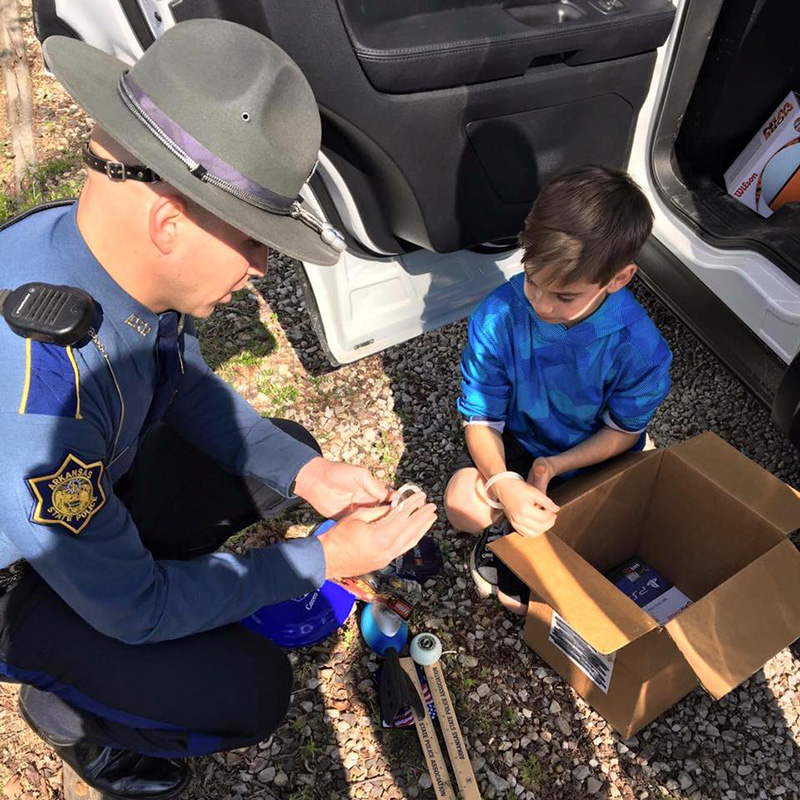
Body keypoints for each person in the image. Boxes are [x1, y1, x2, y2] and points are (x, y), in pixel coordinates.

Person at [0, 20, 437, 799]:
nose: (266, 268)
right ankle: (68, 713)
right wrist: (327, 561)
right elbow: (134, 606)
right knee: (248, 692)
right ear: (170, 221)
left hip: (88, 506)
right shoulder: (40, 402)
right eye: (255, 239)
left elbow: (178, 378)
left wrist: (309, 473)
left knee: (283, 457)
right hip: (24, 577)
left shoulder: (94, 250)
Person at [443, 165, 673, 615]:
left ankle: (531, 528)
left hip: (591, 452)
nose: (542, 304)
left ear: (619, 279)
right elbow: (481, 417)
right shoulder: (498, 316)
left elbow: (623, 430)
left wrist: (555, 465)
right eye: (531, 279)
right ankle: (516, 523)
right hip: (519, 444)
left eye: (565, 296)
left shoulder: (641, 350)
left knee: (527, 592)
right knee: (459, 505)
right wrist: (505, 481)